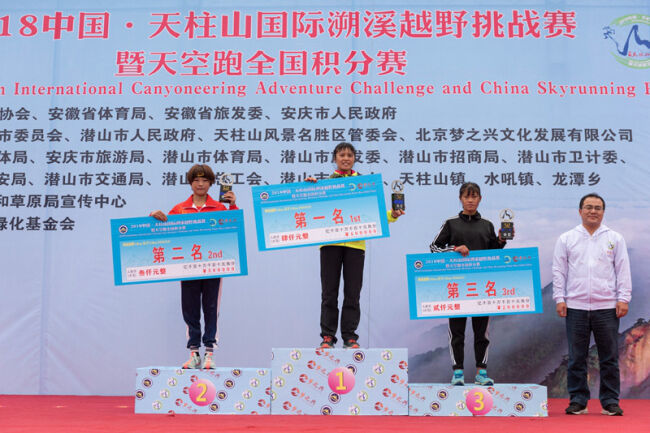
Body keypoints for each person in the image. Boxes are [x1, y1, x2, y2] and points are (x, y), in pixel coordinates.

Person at [307, 142, 404, 349]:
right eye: (341, 155)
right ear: (335, 158)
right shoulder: (324, 184)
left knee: (353, 293)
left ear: (354, 159)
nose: (346, 158)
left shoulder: (364, 184)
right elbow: (309, 207)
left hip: (355, 245)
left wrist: (393, 215)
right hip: (330, 244)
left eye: (349, 155)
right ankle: (327, 336)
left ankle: (349, 336)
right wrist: (309, 188)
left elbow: (374, 212)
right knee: (329, 293)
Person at [150, 164, 238, 369]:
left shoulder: (219, 207)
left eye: (205, 180)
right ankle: (194, 353)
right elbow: (164, 230)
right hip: (188, 268)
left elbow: (234, 229)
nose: (200, 184)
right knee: (190, 309)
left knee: (211, 308)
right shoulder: (179, 209)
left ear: (211, 183)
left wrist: (233, 206)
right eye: (196, 180)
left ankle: (209, 353)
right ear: (190, 183)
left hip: (213, 268)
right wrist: (154, 216)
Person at [552, 193, 631, 416]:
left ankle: (610, 401)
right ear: (580, 211)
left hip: (607, 307)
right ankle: (578, 400)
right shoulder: (567, 238)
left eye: (597, 208)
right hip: (575, 306)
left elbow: (622, 269)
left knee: (609, 357)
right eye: (588, 207)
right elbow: (559, 270)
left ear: (603, 212)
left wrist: (623, 298)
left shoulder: (615, 238)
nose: (593, 211)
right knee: (577, 357)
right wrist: (560, 298)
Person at [429, 182, 506, 386]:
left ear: (480, 199)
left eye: (474, 196)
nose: (470, 200)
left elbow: (494, 252)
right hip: (456, 287)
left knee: (482, 333)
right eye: (466, 196)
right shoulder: (451, 223)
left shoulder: (487, 225)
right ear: (460, 199)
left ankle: (481, 373)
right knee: (457, 332)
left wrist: (501, 240)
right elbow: (434, 248)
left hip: (482, 287)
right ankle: (458, 373)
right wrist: (453, 249)